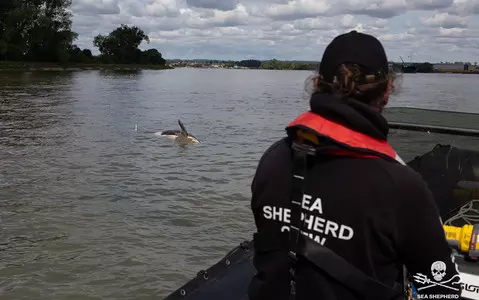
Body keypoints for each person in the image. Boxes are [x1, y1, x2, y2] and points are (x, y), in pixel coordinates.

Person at [247, 31, 462, 300]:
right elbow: (440, 288)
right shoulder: (400, 186)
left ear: (315, 84)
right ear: (387, 91)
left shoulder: (274, 159)